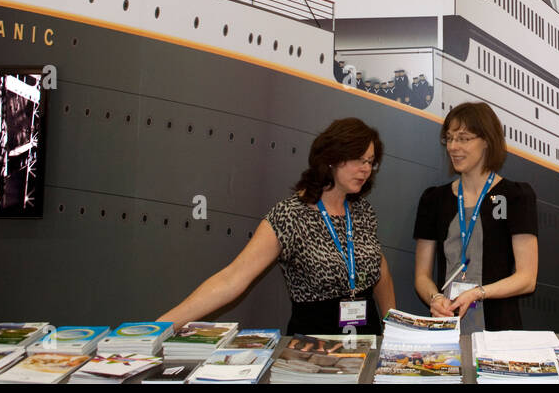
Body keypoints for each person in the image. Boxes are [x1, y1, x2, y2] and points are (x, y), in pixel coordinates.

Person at [159, 118, 395, 335]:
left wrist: (392, 329)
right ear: (332, 158)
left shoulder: (363, 213)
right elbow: (232, 278)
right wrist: (160, 327)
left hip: (367, 341)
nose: (365, 169)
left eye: (370, 162)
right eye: (358, 159)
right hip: (312, 350)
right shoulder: (290, 215)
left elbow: (379, 271)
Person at [414, 102, 538, 332]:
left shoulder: (515, 196)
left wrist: (478, 293)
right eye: (449, 138)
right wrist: (435, 298)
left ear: (487, 141)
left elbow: (527, 278)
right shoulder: (434, 199)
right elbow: (422, 275)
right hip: (447, 326)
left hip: (499, 329)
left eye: (463, 138)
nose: (453, 146)